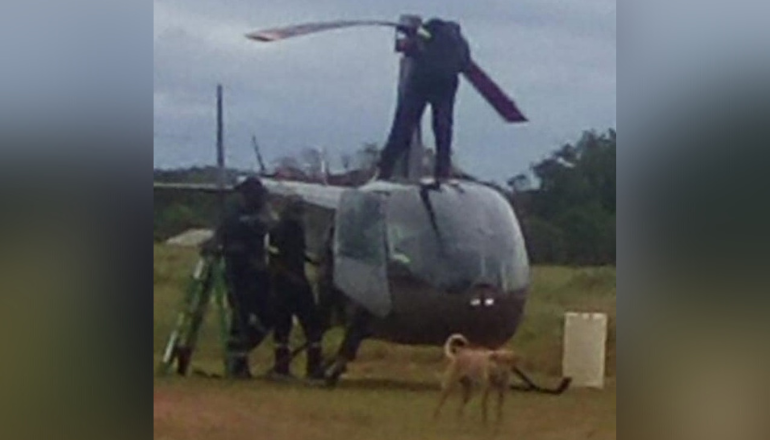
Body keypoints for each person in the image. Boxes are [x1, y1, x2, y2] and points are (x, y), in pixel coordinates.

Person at [377, 18, 472, 183]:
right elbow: (465, 65)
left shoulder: (426, 33)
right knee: (443, 129)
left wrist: (409, 41)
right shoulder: (460, 42)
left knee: (403, 127)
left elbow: (408, 46)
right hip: (446, 85)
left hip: (421, 82)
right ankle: (442, 172)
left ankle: (385, 168)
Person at [215, 176, 274, 379]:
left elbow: (267, 225)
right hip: (238, 274)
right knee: (240, 318)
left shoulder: (258, 214)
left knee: (268, 314)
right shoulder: (233, 215)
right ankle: (237, 363)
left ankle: (240, 353)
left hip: (258, 274)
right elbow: (224, 236)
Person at [267, 197, 325, 381]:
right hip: (286, 284)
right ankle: (298, 369)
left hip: (294, 281)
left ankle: (303, 368)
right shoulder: (280, 230)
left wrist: (313, 260)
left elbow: (297, 255)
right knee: (299, 326)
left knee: (301, 326)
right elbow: (275, 259)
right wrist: (292, 278)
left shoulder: (296, 229)